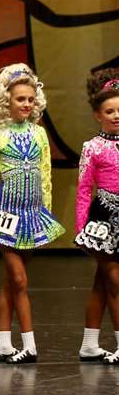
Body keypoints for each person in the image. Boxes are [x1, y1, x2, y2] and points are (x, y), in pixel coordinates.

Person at [0, 63, 62, 364]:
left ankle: (2, 343)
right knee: (20, 280)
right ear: (6, 100)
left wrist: (45, 210)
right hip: (5, 216)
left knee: (11, 283)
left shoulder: (39, 133)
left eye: (30, 99)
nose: (26, 104)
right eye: (20, 99)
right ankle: (29, 344)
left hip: (32, 215)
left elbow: (46, 173)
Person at [75, 68, 119, 363]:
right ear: (97, 115)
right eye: (110, 111)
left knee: (102, 282)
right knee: (115, 280)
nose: (116, 116)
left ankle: (89, 344)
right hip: (102, 218)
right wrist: (81, 229)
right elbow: (82, 190)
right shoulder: (92, 148)